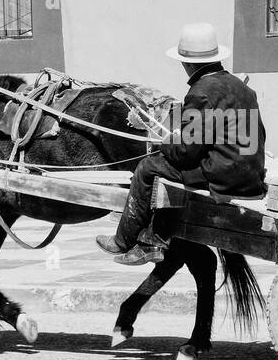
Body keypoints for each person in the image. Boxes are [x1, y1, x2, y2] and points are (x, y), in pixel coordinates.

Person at [97, 23, 266, 265]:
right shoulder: (243, 88)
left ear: (188, 64)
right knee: (163, 166)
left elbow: (186, 153)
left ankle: (124, 240)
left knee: (148, 167)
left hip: (224, 174)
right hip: (251, 174)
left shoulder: (201, 92)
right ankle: (151, 239)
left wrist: (166, 144)